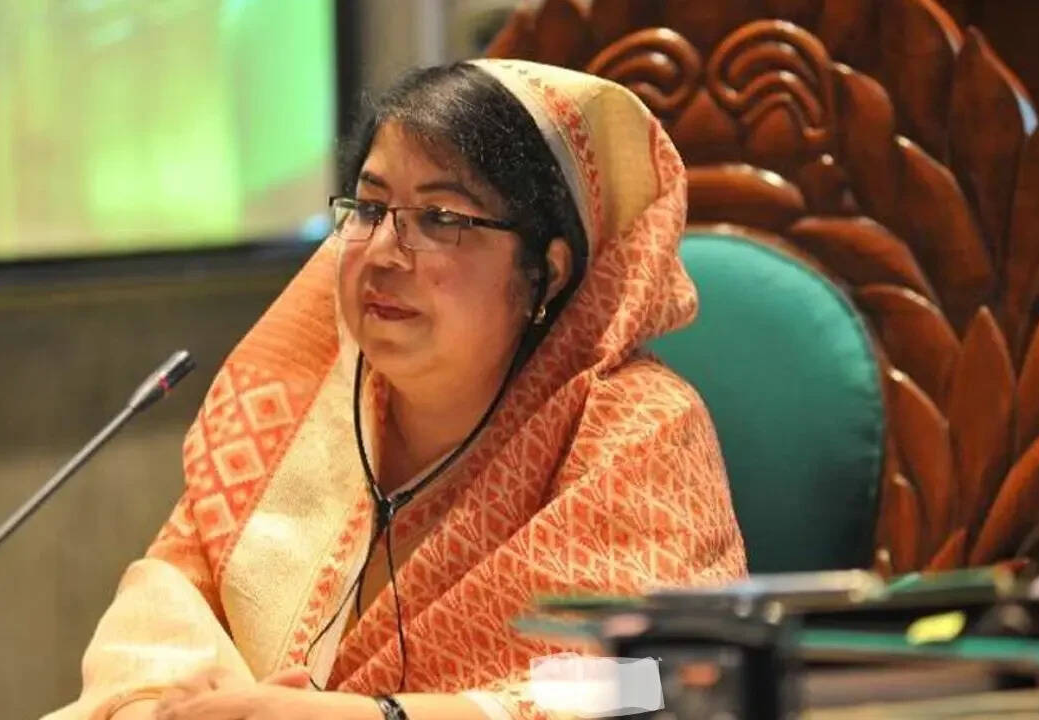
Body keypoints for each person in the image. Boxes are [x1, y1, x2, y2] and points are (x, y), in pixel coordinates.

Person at [42, 58, 746, 720]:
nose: (382, 252)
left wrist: (381, 716)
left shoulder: (633, 426)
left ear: (547, 270)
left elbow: (660, 680)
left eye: (441, 219)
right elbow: (161, 618)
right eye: (370, 208)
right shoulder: (293, 403)